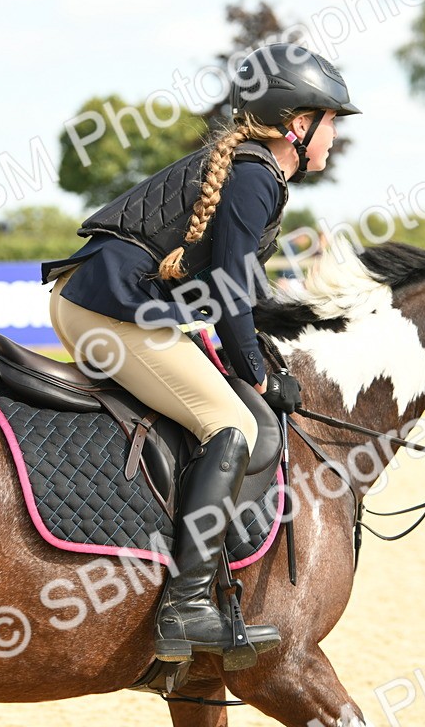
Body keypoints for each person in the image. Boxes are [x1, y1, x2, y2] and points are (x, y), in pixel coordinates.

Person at [39, 44, 360, 665]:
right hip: (109, 310)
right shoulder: (255, 176)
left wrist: (259, 356)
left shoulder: (253, 172)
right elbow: (233, 290)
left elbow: (235, 292)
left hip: (106, 302)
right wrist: (257, 377)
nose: (335, 135)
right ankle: (185, 605)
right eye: (331, 121)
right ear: (298, 125)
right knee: (233, 423)